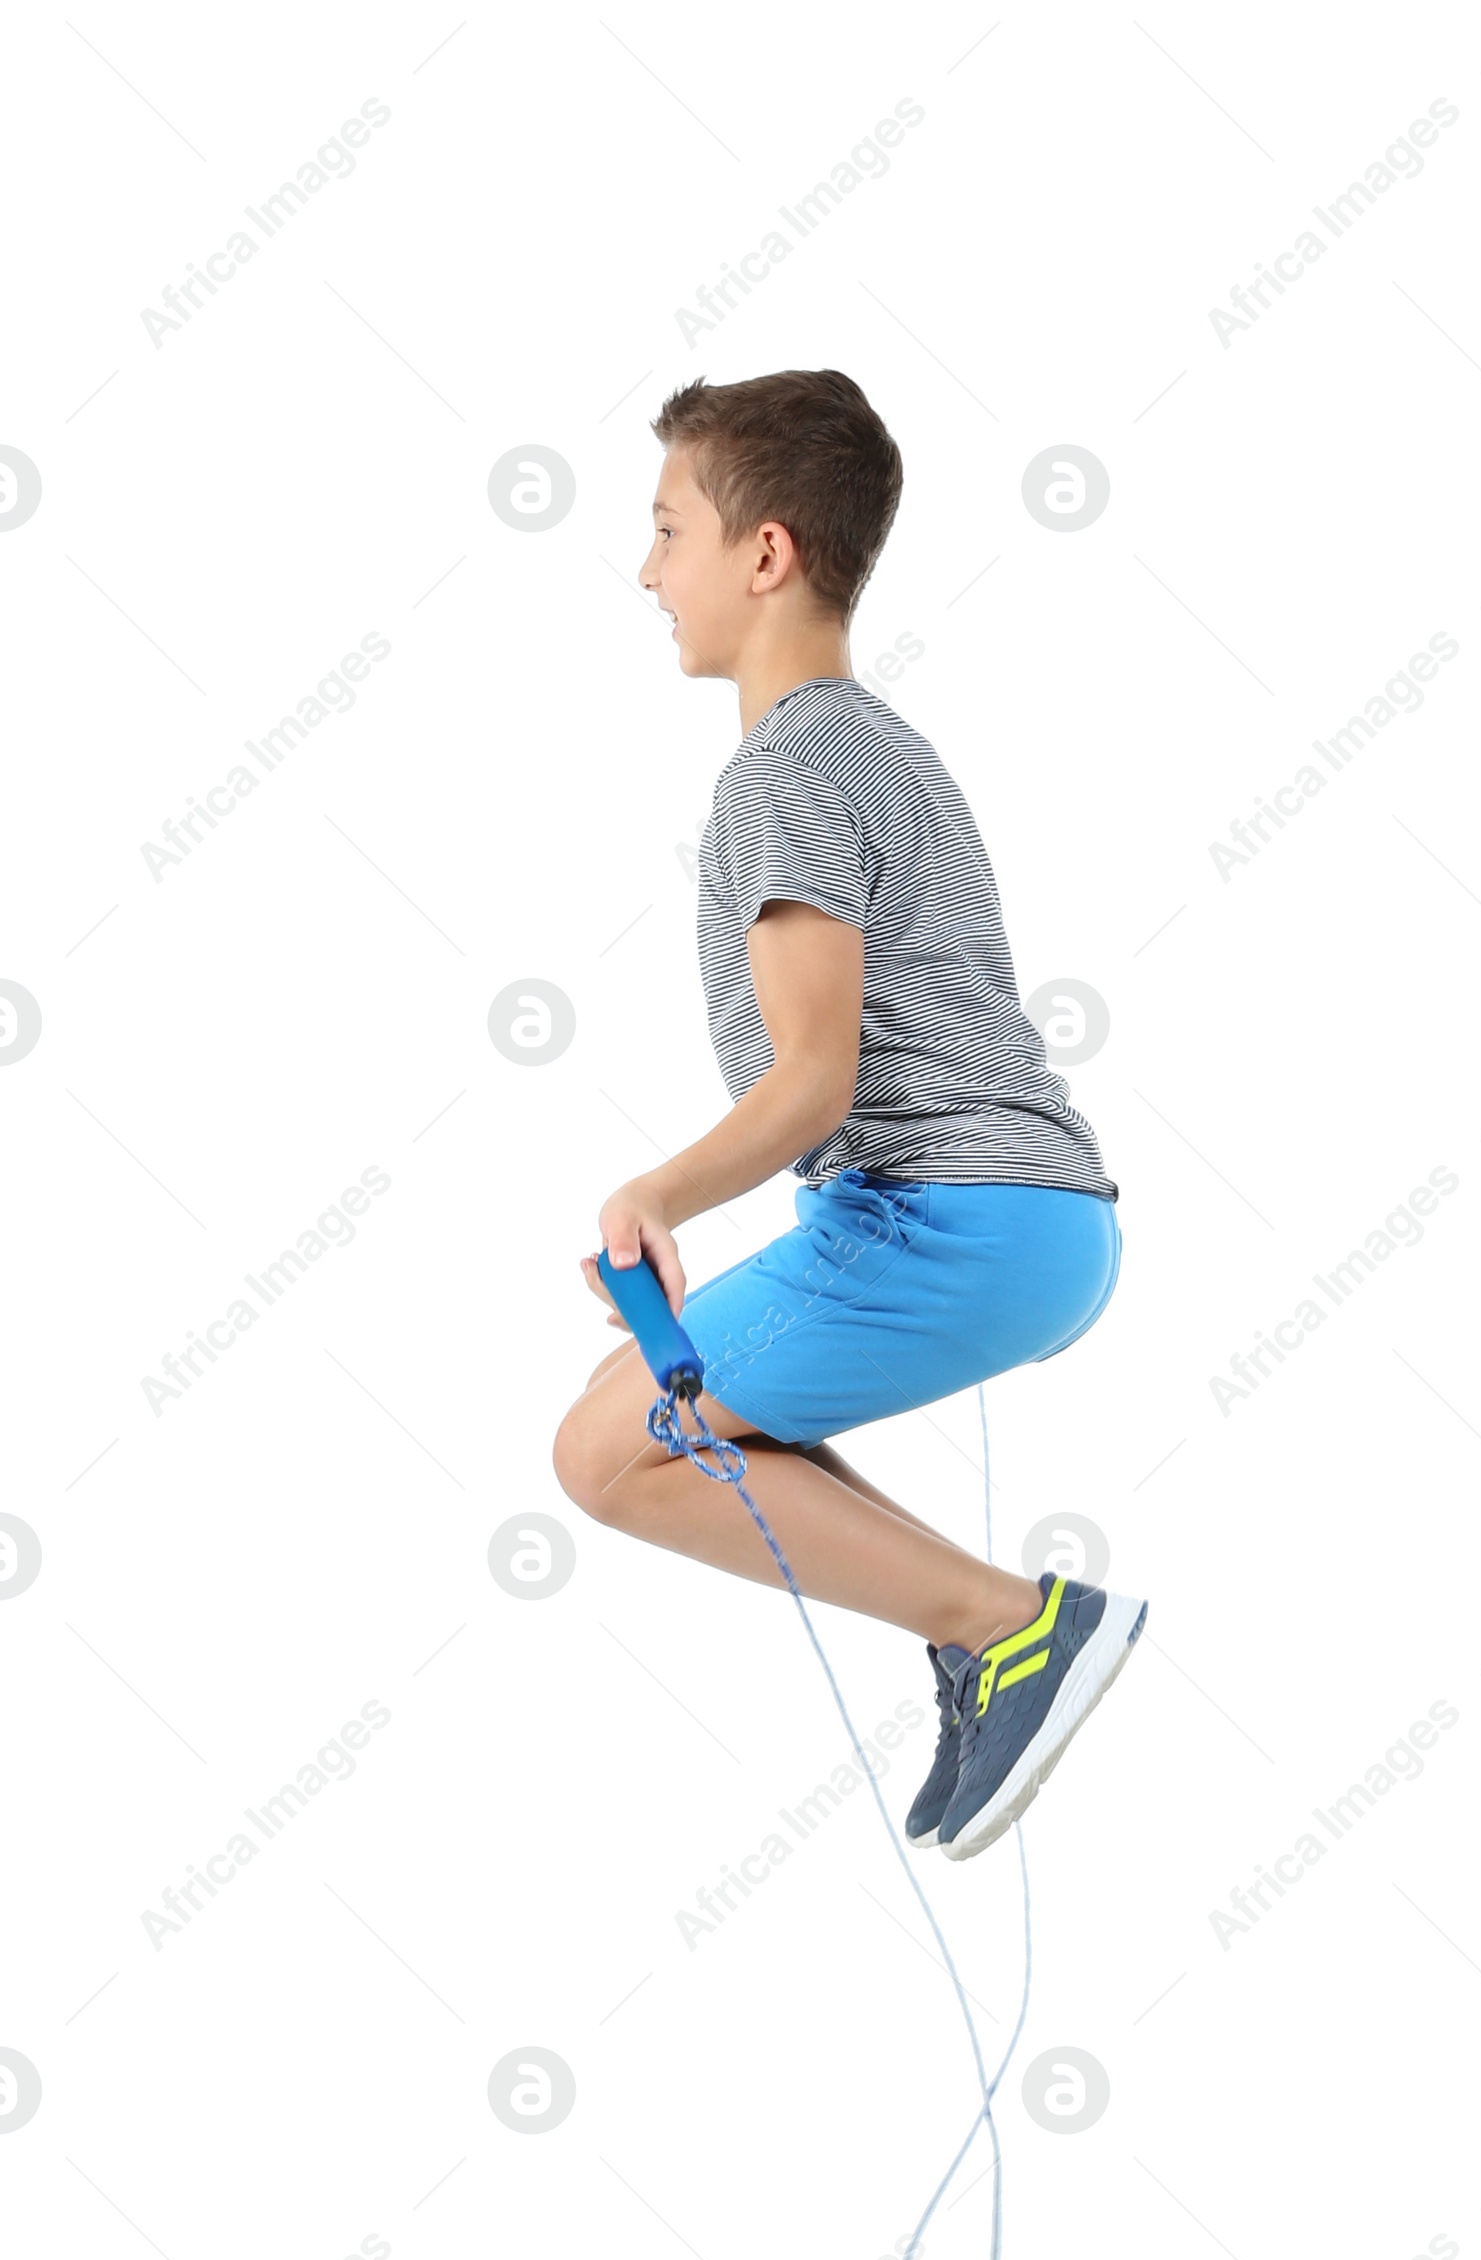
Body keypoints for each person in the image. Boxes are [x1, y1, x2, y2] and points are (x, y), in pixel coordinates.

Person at [552, 368, 1146, 1861]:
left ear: (767, 554)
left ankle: (1016, 1626)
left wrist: (657, 1194)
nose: (645, 570)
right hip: (1009, 1219)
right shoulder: (873, 745)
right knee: (674, 1422)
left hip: (961, 1218)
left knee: (605, 1451)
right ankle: (985, 1641)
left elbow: (812, 1078)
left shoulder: (788, 769)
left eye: (669, 528)